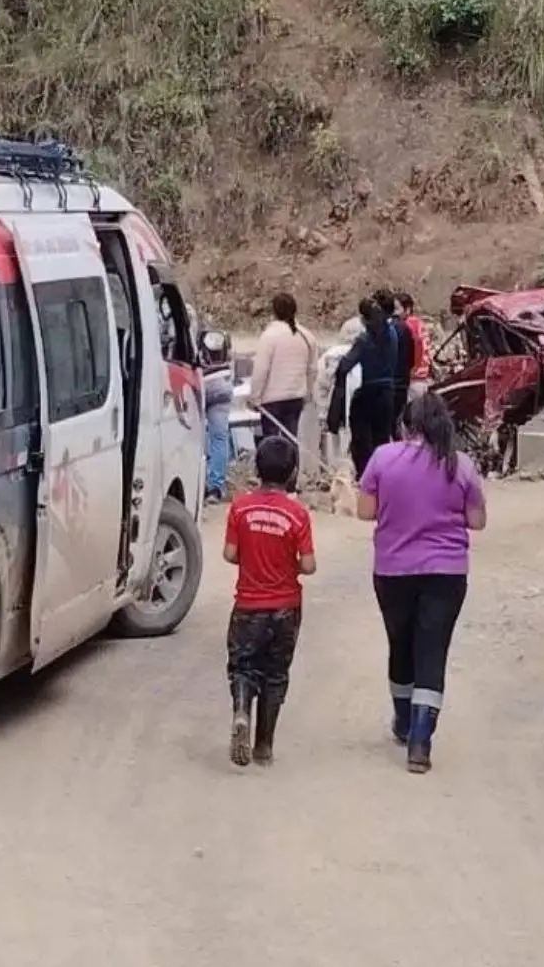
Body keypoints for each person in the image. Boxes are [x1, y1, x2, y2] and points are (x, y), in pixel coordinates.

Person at [357, 390, 487, 774]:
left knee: (401, 645)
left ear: (405, 425)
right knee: (432, 651)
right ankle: (420, 742)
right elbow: (477, 521)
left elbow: (366, 511)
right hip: (447, 574)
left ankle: (402, 719)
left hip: (393, 571)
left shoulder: (383, 457)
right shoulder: (460, 464)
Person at [223, 436, 317, 767]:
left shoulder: (240, 508)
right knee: (276, 674)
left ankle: (240, 711)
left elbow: (230, 554)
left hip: (248, 606)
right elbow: (308, 565)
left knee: (243, 667)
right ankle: (264, 745)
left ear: (256, 470)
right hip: (285, 608)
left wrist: (252, 559)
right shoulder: (297, 514)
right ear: (292, 472)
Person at [326, 298, 399, 481]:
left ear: (363, 319)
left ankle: (365, 477)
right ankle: (383, 477)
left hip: (369, 392)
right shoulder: (392, 335)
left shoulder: (364, 340)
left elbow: (345, 366)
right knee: (382, 440)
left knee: (362, 441)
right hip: (388, 392)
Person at [248, 292, 316, 446]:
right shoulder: (307, 336)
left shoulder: (269, 336)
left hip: (272, 400)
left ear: (274, 311)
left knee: (271, 444)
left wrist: (255, 397)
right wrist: (307, 392)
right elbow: (312, 369)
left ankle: (272, 470)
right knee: (291, 441)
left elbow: (261, 370)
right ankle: (293, 469)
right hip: (296, 397)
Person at [374, 288, 414, 441]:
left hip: (385, 387)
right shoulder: (405, 328)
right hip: (401, 385)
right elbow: (411, 360)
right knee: (397, 427)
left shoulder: (383, 329)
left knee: (383, 431)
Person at [201, 329, 234, 504]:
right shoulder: (224, 337)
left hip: (202, 384)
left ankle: (197, 481)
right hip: (223, 384)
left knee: (193, 436)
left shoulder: (197, 335)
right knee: (220, 438)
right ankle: (216, 487)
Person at [399, 292, 432, 398]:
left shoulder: (407, 325)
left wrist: (412, 370)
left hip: (414, 380)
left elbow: (417, 347)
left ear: (407, 309)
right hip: (424, 377)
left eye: (397, 309)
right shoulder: (420, 324)